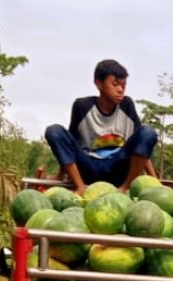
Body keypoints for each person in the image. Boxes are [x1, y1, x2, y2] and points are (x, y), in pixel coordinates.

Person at [44, 59, 158, 196]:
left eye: (123, 85)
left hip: (117, 167)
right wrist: (60, 175)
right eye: (115, 85)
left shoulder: (127, 105)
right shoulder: (82, 107)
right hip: (89, 166)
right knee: (54, 131)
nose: (120, 90)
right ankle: (81, 187)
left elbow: (142, 143)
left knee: (148, 133)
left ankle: (125, 188)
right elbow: (69, 145)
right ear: (98, 83)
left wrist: (155, 180)